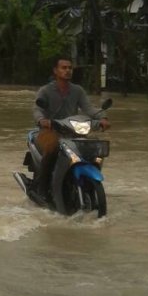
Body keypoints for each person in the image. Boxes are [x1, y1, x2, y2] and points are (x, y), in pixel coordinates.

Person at [31, 56, 110, 202]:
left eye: (70, 68)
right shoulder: (46, 90)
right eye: (64, 68)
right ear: (56, 70)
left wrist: (102, 118)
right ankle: (42, 190)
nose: (67, 71)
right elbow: (37, 109)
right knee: (52, 149)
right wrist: (42, 120)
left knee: (93, 150)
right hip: (50, 131)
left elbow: (89, 108)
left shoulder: (77, 90)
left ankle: (86, 184)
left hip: (72, 131)